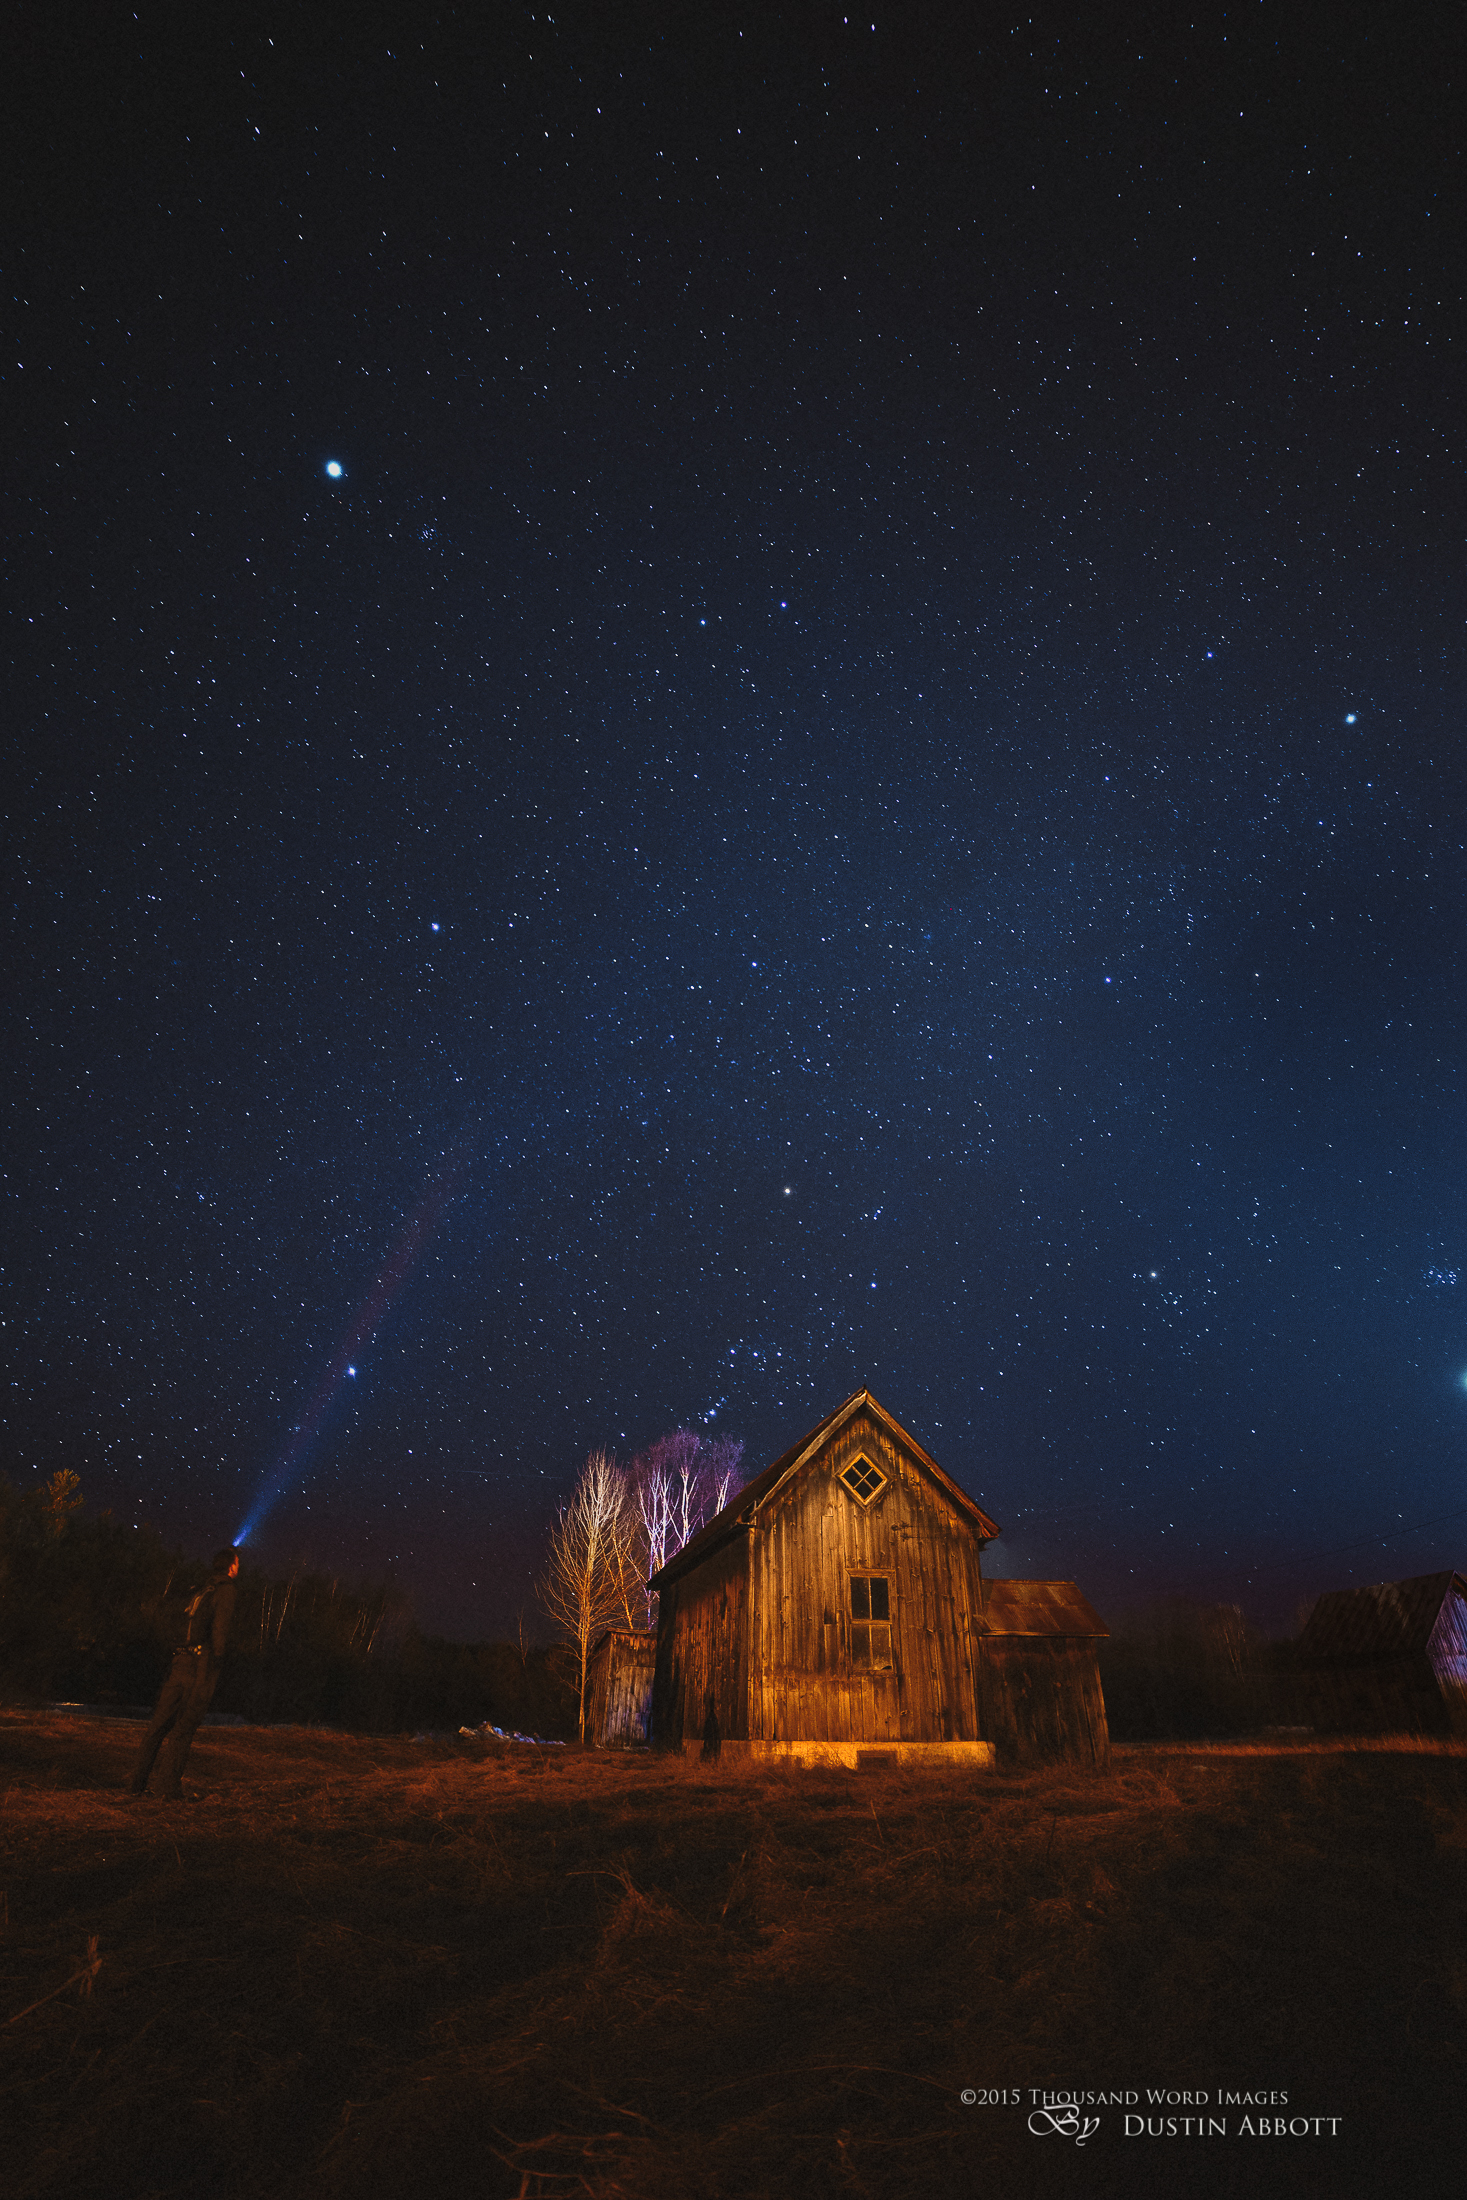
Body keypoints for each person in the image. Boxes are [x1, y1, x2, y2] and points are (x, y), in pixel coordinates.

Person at [129, 1547, 240, 1799]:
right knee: (185, 1727)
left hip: (179, 1659)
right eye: (237, 1563)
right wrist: (218, 1662)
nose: (238, 1567)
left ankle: (137, 1784)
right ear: (231, 1567)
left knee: (158, 1725)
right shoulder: (226, 1590)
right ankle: (167, 1789)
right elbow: (220, 1631)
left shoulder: (201, 1589)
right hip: (200, 1664)